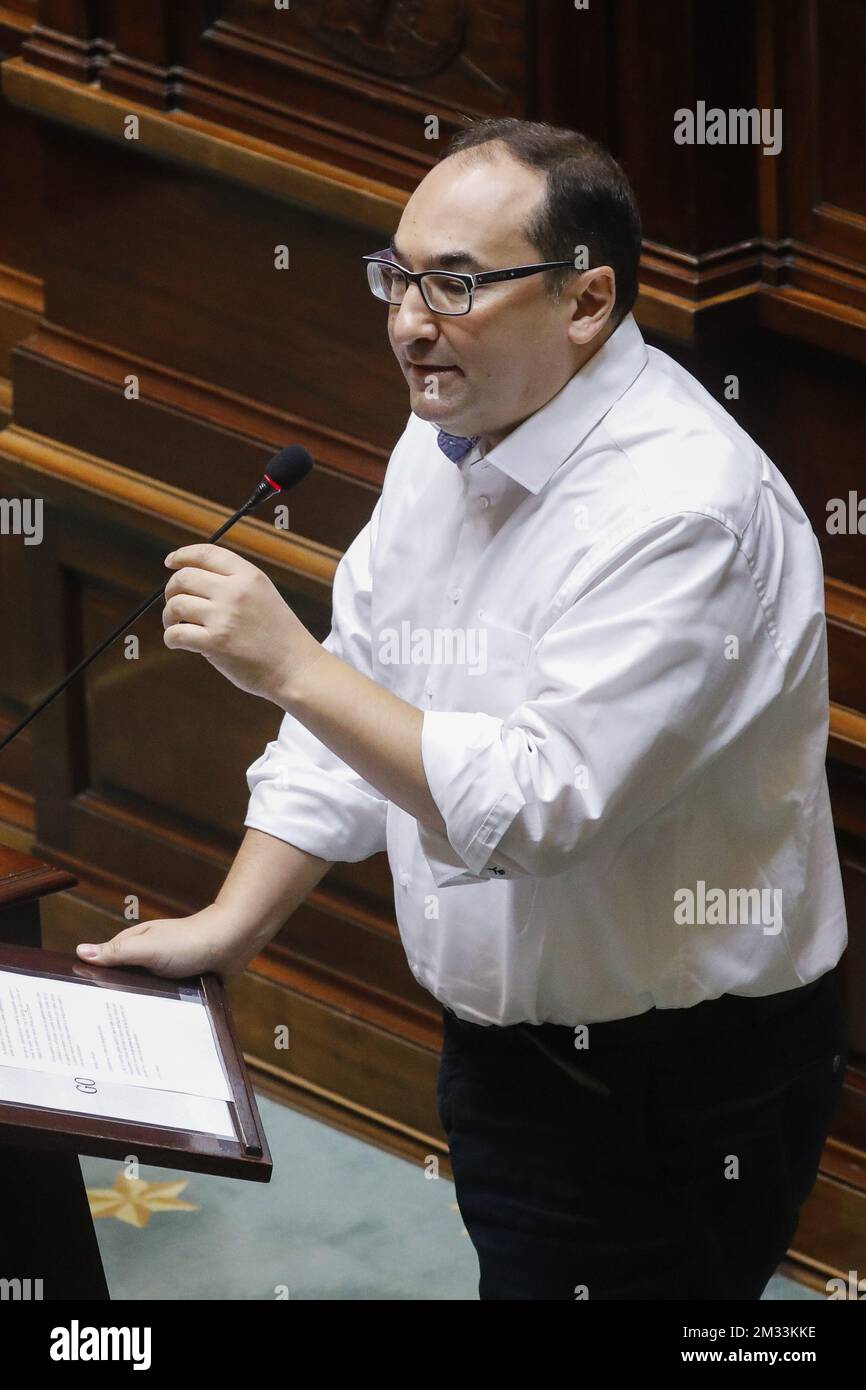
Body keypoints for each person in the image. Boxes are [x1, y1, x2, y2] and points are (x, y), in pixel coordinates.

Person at [77, 118, 849, 1300]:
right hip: (508, 1048)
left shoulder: (682, 512)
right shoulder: (451, 432)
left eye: (455, 283)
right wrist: (233, 922)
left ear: (585, 301)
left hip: (672, 1082)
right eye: (395, 275)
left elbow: (541, 807)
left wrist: (289, 666)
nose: (404, 320)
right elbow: (368, 693)